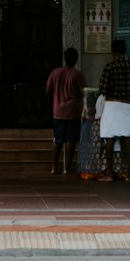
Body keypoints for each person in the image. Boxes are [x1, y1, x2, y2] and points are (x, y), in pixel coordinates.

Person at [98, 37, 130, 182]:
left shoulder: (109, 67)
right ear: (124, 50)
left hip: (111, 104)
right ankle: (128, 172)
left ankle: (109, 173)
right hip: (127, 105)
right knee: (128, 136)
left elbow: (102, 88)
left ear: (113, 51)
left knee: (109, 138)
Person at [45, 46, 87, 176]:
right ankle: (66, 168)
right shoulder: (78, 75)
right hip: (72, 112)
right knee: (70, 140)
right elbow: (83, 92)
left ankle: (54, 166)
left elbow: (47, 91)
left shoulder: (55, 73)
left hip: (58, 111)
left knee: (58, 139)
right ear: (76, 60)